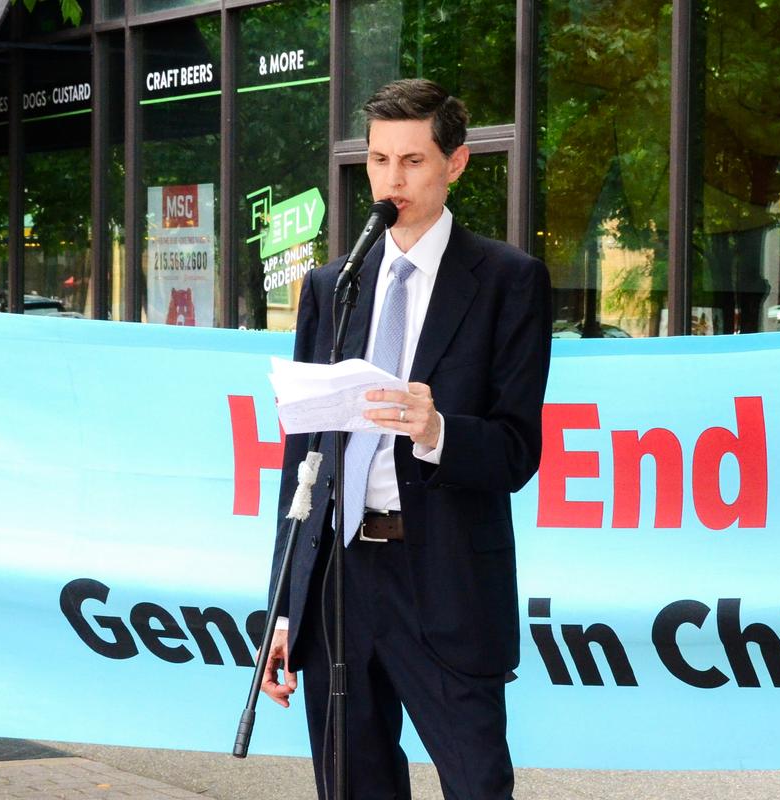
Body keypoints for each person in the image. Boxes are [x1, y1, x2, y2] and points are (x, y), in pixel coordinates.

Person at [262, 78, 552, 800]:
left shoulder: (508, 282)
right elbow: (303, 462)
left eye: (414, 161)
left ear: (455, 164)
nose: (393, 180)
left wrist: (438, 430)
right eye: (380, 160)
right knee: (353, 784)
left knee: (478, 783)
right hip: (340, 580)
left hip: (447, 580)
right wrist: (284, 603)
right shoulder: (334, 286)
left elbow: (517, 451)